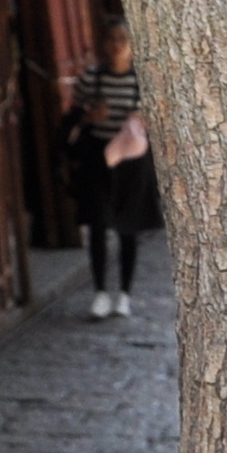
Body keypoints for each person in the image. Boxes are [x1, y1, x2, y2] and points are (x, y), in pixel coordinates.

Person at [66, 16, 154, 319]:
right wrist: (91, 118)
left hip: (132, 165)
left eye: (123, 40)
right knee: (98, 225)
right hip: (98, 160)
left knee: (129, 228)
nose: (117, 46)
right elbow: (70, 120)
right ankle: (100, 292)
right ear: (104, 44)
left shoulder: (143, 80)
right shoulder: (91, 78)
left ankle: (124, 294)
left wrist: (143, 120)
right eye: (112, 39)